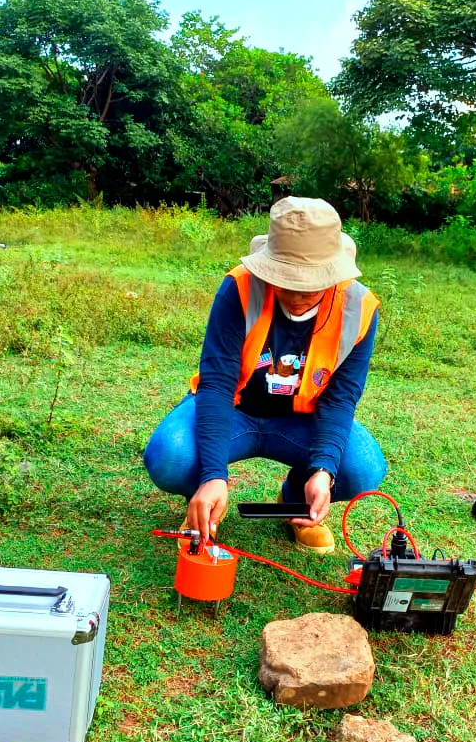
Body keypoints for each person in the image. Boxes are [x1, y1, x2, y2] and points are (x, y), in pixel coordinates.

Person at [143, 196, 387, 553]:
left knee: (361, 468)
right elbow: (217, 383)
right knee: (170, 456)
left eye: (310, 282)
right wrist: (213, 475)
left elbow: (340, 399)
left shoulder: (359, 308)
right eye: (286, 278)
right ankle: (204, 500)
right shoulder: (239, 288)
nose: (297, 293)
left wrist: (322, 471)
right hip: (234, 413)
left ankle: (297, 504)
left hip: (303, 422)